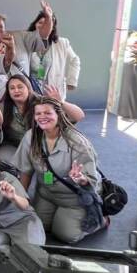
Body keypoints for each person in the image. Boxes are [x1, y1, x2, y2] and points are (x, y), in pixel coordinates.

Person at [13, 96, 103, 244]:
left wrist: (81, 179)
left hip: (74, 197)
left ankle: (102, 218)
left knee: (67, 235)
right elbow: (26, 172)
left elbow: (91, 180)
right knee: (39, 227)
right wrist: (19, 201)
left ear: (58, 115)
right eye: (38, 113)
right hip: (46, 194)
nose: (42, 117)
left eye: (48, 113)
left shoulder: (77, 142)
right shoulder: (31, 136)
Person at [0, 76, 85, 163]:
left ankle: (47, 173)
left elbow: (79, 116)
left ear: (28, 88)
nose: (16, 90)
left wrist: (60, 102)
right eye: (12, 88)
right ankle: (22, 171)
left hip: (43, 150)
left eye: (20, 87)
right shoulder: (3, 108)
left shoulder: (42, 104)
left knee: (47, 174)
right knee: (1, 154)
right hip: (19, 149)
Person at [20, 1, 81, 100]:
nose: (43, 26)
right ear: (35, 24)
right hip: (31, 94)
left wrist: (71, 81)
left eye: (47, 23)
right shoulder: (26, 42)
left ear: (52, 27)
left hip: (54, 93)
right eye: (40, 23)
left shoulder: (62, 43)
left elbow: (75, 60)